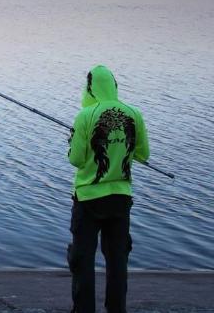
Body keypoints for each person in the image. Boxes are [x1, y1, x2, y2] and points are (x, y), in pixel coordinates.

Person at [67, 65, 149, 313]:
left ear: (90, 87)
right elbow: (143, 155)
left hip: (88, 199)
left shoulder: (85, 116)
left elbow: (76, 159)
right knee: (117, 262)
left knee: (83, 261)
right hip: (120, 199)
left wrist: (72, 140)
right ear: (114, 85)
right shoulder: (134, 113)